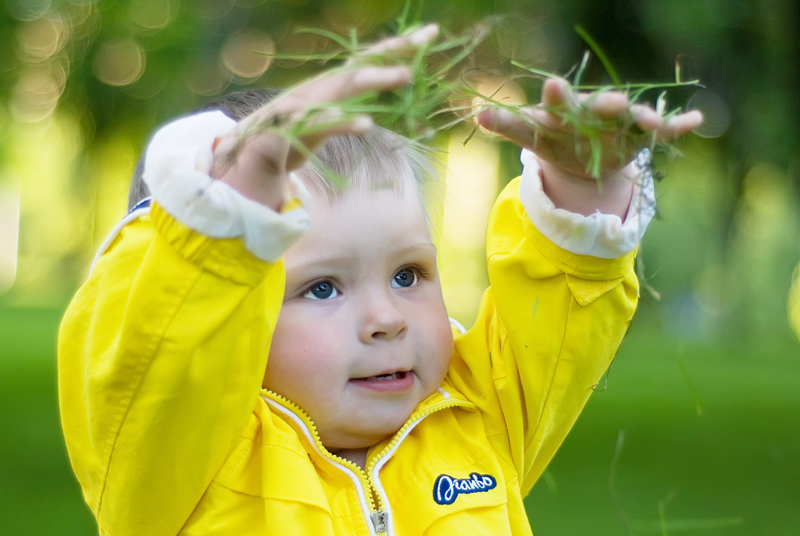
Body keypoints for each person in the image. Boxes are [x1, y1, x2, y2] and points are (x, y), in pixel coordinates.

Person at [58, 24, 702, 535]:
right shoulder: (178, 468)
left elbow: (559, 320)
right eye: (322, 288)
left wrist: (587, 189)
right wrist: (220, 223)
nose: (387, 318)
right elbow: (153, 358)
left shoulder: (479, 418)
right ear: (229, 313)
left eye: (408, 274)